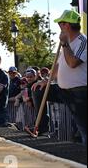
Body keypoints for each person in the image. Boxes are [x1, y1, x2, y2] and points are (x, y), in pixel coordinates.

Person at [33, 10, 87, 145]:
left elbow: (73, 63)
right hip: (64, 90)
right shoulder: (67, 43)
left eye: (60, 24)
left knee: (83, 128)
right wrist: (47, 80)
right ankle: (42, 127)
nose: (59, 27)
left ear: (66, 25)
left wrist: (64, 44)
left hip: (79, 92)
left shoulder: (83, 41)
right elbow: (60, 65)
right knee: (38, 90)